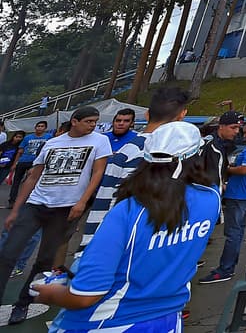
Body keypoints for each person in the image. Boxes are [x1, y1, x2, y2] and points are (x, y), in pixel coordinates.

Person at [31, 122, 220, 333]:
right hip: (167, 319)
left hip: (107, 321)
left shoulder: (128, 210)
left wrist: (47, 294)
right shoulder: (211, 199)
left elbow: (86, 295)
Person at [0, 106, 112, 324]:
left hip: (65, 208)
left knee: (45, 259)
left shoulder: (99, 141)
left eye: (95, 122)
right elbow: (32, 177)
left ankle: (23, 303)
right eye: (88, 121)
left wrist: (81, 202)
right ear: (75, 121)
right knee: (8, 253)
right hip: (36, 204)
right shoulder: (53, 143)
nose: (92, 125)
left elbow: (97, 173)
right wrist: (15, 210)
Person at [80, 87, 192, 253]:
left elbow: (105, 203)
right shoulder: (185, 154)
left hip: (116, 245)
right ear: (182, 114)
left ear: (146, 114)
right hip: (157, 246)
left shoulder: (125, 153)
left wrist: (87, 250)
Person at [200, 117, 246, 283]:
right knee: (237, 231)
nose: (241, 134)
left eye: (244, 131)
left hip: (240, 193)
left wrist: (224, 169)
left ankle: (225, 269)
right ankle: (229, 265)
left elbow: (245, 169)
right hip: (245, 192)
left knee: (233, 232)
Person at [7, 120, 50, 207]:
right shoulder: (27, 138)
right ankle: (12, 201)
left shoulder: (49, 137)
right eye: (38, 126)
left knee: (30, 182)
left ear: (45, 128)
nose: (40, 128)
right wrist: (15, 163)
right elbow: (20, 151)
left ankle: (27, 201)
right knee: (16, 181)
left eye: (42, 126)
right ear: (35, 128)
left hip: (36, 162)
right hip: (23, 160)